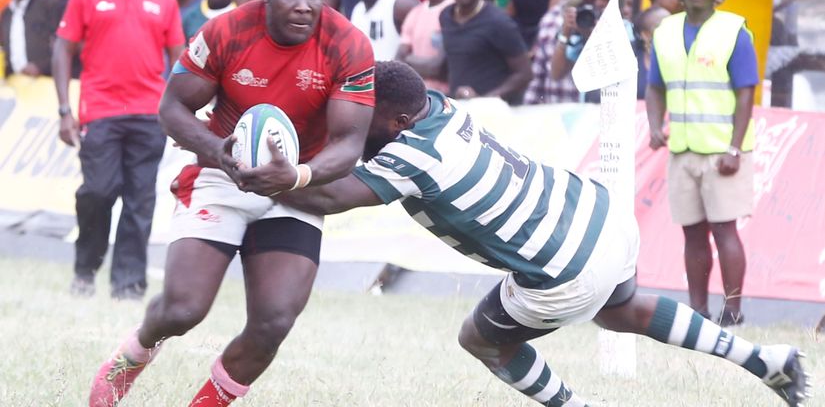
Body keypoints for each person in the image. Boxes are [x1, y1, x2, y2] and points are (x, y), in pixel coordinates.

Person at [274, 60, 811, 407]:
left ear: (395, 123)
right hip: (602, 217)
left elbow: (328, 198)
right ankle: (765, 360)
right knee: (621, 310)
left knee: (479, 339)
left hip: (565, 267)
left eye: (362, 116)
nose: (353, 125)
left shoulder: (413, 155)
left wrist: (263, 179)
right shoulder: (438, 107)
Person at [86, 0, 375, 406]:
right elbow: (172, 107)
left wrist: (296, 175)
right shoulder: (227, 29)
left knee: (274, 321)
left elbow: (349, 144)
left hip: (295, 186)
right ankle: (129, 360)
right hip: (223, 173)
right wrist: (216, 152)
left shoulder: (348, 44)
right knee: (183, 309)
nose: (304, 5)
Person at [52, 0, 185, 300]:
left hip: (149, 113)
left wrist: (180, 112)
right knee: (98, 191)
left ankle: (129, 284)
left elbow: (179, 59)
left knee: (140, 200)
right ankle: (86, 266)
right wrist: (64, 110)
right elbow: (63, 48)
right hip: (100, 111)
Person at [645, 0, 759, 326]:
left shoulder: (733, 30)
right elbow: (654, 86)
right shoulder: (665, 31)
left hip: (722, 151)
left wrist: (734, 148)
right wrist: (654, 125)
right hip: (682, 149)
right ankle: (698, 311)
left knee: (725, 230)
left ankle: (733, 311)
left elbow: (746, 92)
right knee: (692, 233)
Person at [440, 0, 531, 105]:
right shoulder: (446, 16)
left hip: (493, 110)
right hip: (459, 107)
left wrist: (484, 100)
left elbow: (524, 74)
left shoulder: (498, 22)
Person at [524, 0, 583, 105]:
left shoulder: (604, 15)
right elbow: (539, 70)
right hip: (556, 109)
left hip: (592, 111)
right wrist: (529, 107)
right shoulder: (551, 18)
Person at [395, 0, 455, 93]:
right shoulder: (415, 12)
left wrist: (409, 60)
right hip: (417, 98)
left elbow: (440, 68)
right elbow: (399, 62)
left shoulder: (455, 10)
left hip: (446, 98)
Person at [1, 0, 59, 78]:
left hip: (46, 80)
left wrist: (41, 66)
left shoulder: (49, 4)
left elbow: (63, 45)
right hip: (14, 81)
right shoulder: (7, 12)